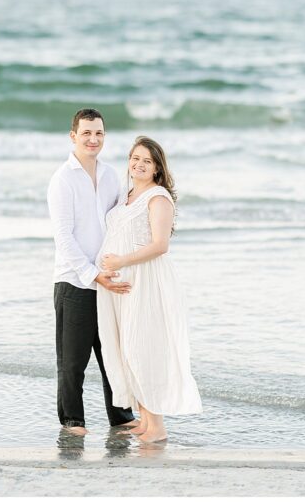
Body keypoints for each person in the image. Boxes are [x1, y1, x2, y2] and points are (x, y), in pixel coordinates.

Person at [96, 136, 203, 443]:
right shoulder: (127, 195)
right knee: (127, 349)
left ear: (157, 169)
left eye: (147, 161)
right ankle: (145, 419)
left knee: (143, 348)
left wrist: (121, 260)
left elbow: (160, 245)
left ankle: (156, 427)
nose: (139, 165)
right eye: (135, 158)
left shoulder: (158, 197)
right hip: (122, 283)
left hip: (145, 281)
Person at [47, 108, 140, 435]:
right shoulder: (62, 180)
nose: (93, 139)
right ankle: (72, 420)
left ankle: (121, 417)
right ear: (73, 136)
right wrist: (91, 273)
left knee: (113, 353)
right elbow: (64, 238)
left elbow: (121, 221)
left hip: (107, 280)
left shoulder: (112, 175)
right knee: (73, 361)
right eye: (86, 133)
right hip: (74, 281)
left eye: (99, 133)